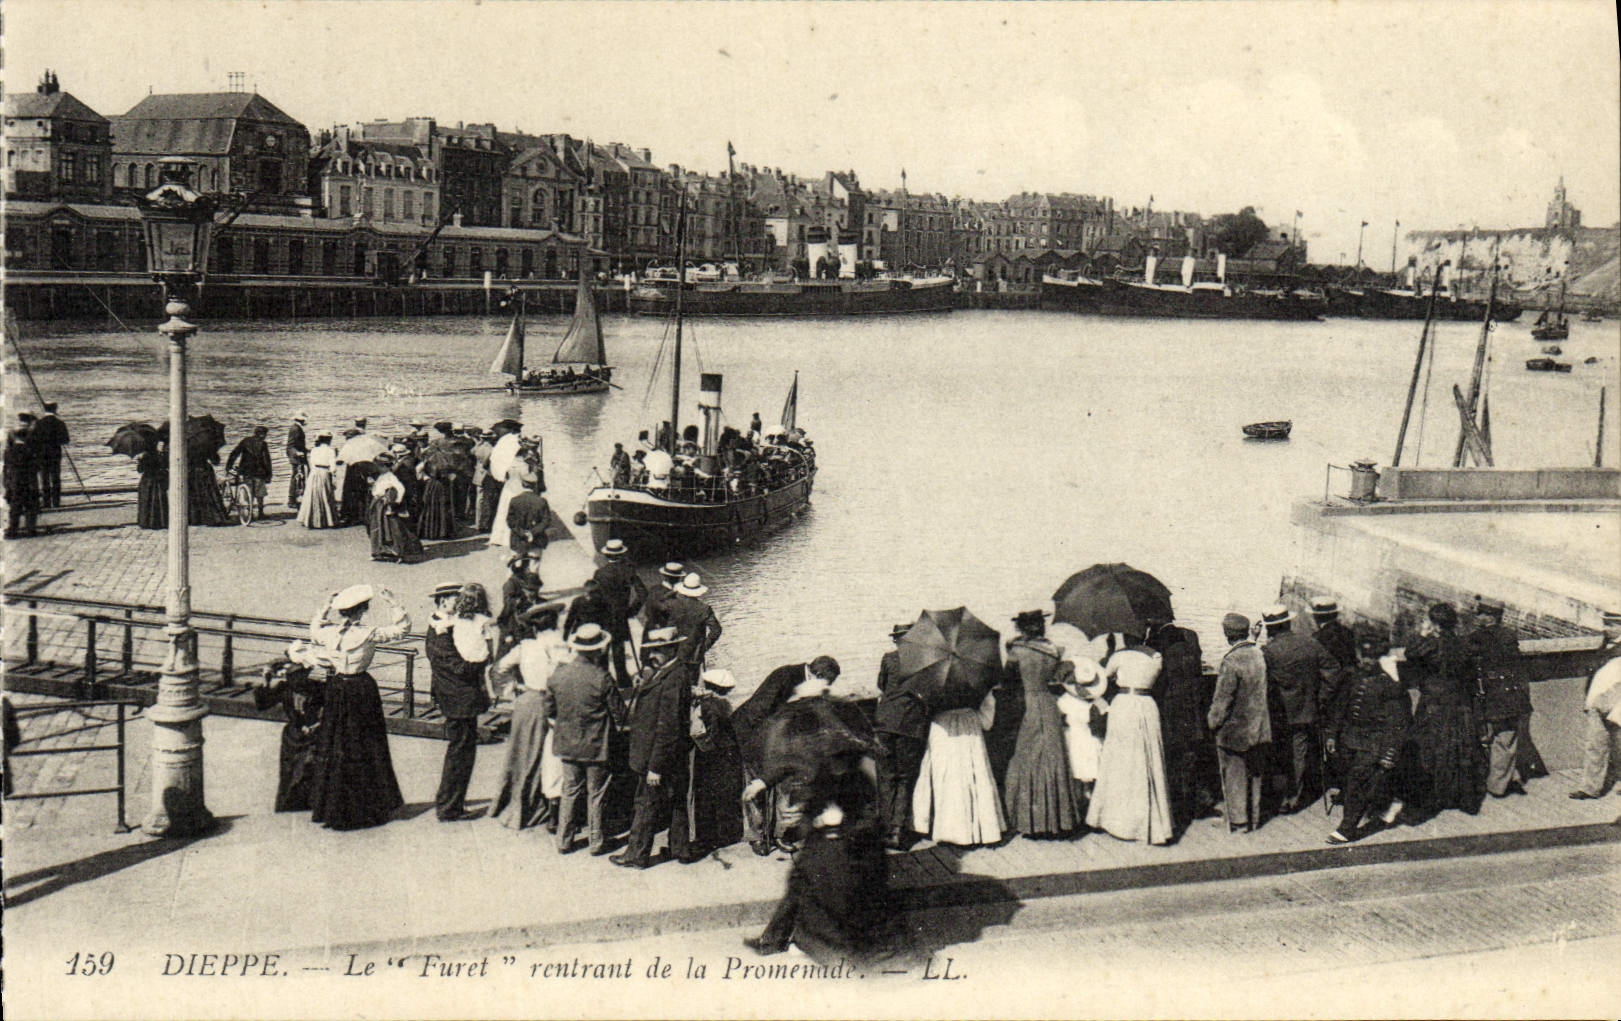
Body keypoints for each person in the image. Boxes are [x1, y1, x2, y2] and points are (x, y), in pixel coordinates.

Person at [743, 678, 904, 965]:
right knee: (804, 881)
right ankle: (776, 939)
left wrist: (831, 814)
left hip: (847, 839)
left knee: (824, 888)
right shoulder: (833, 742)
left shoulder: (841, 755)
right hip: (833, 835)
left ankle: (831, 947)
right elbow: (800, 769)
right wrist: (767, 784)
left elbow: (855, 800)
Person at [306, 586, 410, 830]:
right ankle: (366, 807)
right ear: (362, 610)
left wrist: (325, 606)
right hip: (361, 691)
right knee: (366, 745)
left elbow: (314, 630)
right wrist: (393, 602)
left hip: (336, 689)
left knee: (335, 744)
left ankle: (332, 807)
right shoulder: (368, 633)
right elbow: (402, 629)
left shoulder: (329, 633)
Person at [612, 627, 695, 868]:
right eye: (651, 650)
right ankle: (680, 849)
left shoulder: (673, 679)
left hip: (657, 756)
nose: (651, 655)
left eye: (657, 650)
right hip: (674, 754)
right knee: (676, 799)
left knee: (646, 804)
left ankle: (636, 855)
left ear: (671, 649)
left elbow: (668, 727)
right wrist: (645, 681)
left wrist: (655, 767)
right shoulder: (672, 672)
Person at [734, 659, 834, 855]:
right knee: (756, 785)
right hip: (752, 736)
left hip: (776, 739)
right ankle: (758, 836)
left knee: (782, 784)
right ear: (816, 675)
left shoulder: (807, 684)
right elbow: (756, 712)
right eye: (825, 683)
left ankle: (779, 834)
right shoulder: (784, 677)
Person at [1323, 624, 1411, 843]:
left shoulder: (1390, 686)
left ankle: (1347, 829)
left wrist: (1389, 753)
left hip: (1374, 742)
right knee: (1351, 779)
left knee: (1357, 783)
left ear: (1379, 658)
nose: (1367, 662)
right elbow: (1339, 708)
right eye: (1364, 657)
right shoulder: (1351, 677)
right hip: (1349, 739)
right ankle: (1386, 803)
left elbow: (1398, 724)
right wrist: (1332, 735)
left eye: (1372, 658)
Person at [491, 603, 572, 831]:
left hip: (527, 702)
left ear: (534, 627)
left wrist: (513, 687)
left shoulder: (526, 646)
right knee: (550, 755)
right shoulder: (562, 646)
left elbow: (499, 668)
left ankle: (515, 804)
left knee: (522, 753)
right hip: (552, 702)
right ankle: (549, 806)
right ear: (554, 622)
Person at [1400, 602, 1485, 820]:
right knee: (1457, 748)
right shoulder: (1463, 645)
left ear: (1435, 624)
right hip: (1458, 701)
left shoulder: (1430, 645)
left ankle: (1433, 796)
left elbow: (1410, 652)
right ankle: (1457, 796)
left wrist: (1423, 632)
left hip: (1434, 702)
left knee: (1429, 747)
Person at [547, 623, 626, 855]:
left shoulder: (558, 675)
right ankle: (596, 841)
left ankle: (564, 840)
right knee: (597, 794)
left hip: (567, 744)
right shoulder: (602, 677)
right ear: (598, 650)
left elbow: (549, 710)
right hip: (596, 746)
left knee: (569, 790)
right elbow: (620, 713)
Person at [1000, 610, 1081, 838]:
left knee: (1028, 758)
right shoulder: (1053, 650)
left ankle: (1032, 821)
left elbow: (1008, 682)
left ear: (1021, 628)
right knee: (1052, 756)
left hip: (1027, 705)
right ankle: (1057, 819)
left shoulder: (1017, 651)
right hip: (1048, 703)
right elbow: (1064, 676)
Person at [1087, 636, 1174, 845]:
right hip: (1147, 704)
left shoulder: (1120, 655)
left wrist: (1109, 657)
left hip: (1124, 705)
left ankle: (1116, 820)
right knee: (1148, 759)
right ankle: (1151, 823)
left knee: (1119, 760)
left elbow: (1102, 678)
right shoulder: (1156, 656)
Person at [425, 582, 495, 822]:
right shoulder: (439, 630)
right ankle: (449, 807)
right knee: (460, 754)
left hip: (456, 698)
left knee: (462, 752)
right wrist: (483, 661)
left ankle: (452, 803)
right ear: (444, 600)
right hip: (458, 700)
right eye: (457, 598)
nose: (461, 603)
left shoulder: (446, 624)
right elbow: (459, 667)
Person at [1259, 604, 1338, 814]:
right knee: (1298, 754)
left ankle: (1276, 796)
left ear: (1271, 628)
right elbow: (1333, 670)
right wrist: (1320, 698)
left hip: (1277, 712)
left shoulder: (1268, 651)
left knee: (1278, 753)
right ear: (1288, 623)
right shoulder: (1310, 643)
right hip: (1305, 710)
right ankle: (1292, 798)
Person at [913, 679, 1004, 848]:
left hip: (941, 727)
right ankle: (981, 830)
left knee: (946, 777)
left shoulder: (932, 675)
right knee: (974, 773)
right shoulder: (974, 674)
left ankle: (949, 831)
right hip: (969, 724)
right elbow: (987, 714)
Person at [1146, 613, 1212, 834]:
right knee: (1189, 757)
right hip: (1192, 707)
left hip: (1170, 710)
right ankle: (1194, 803)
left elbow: (1154, 678)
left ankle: (1176, 807)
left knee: (1171, 759)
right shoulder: (1190, 636)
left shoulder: (1155, 642)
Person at [1207, 613, 1270, 834]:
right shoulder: (1258, 654)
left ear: (1227, 634)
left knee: (1234, 775)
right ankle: (1254, 818)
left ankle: (1238, 821)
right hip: (1259, 727)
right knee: (1255, 776)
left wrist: (1212, 723)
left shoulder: (1231, 661)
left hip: (1236, 730)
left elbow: (1222, 700)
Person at [248, 642, 327, 812]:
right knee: (292, 779)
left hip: (314, 738)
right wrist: (266, 682)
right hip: (296, 738)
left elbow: (332, 712)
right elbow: (262, 704)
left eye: (295, 673)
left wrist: (316, 725)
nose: (291, 677)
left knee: (308, 776)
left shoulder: (318, 687)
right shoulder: (287, 687)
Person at [873, 622, 930, 849]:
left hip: (884, 723)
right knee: (904, 779)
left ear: (896, 640)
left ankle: (885, 829)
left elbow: (881, 685)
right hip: (909, 727)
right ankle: (897, 831)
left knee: (886, 777)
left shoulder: (888, 659)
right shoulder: (923, 661)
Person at [1471, 597, 1532, 797]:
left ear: (1489, 616)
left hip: (1488, 695)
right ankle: (1499, 783)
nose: (1477, 616)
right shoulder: (1508, 636)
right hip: (1509, 696)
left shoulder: (1476, 638)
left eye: (1480, 613)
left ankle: (1493, 784)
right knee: (1506, 740)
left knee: (1488, 738)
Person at [687, 668, 747, 859]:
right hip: (729, 755)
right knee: (727, 796)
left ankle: (708, 837)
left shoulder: (707, 706)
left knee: (707, 796)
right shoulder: (723, 704)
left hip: (713, 756)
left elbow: (710, 735)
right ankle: (729, 833)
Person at [1570, 608, 1621, 800]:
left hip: (1617, 705)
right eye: (1606, 624)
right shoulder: (1605, 645)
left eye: (1611, 625)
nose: (1607, 629)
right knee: (1595, 745)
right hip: (1597, 704)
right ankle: (1590, 787)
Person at [1054, 649, 1108, 817]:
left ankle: (1077, 811)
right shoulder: (1098, 702)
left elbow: (1060, 719)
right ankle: (1090, 809)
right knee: (1090, 776)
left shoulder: (1064, 700)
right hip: (1089, 742)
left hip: (1074, 741)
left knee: (1075, 774)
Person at [592, 539, 647, 685]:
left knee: (603, 647)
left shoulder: (599, 573)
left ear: (606, 555)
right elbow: (643, 593)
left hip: (604, 614)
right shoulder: (628, 571)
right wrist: (632, 610)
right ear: (622, 554)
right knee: (618, 648)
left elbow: (595, 596)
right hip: (621, 614)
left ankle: (604, 679)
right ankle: (623, 680)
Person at [367, 454, 422, 563]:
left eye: (379, 466)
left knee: (391, 529)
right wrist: (373, 485)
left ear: (385, 466)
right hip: (378, 505)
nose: (377, 468)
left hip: (385, 506)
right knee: (377, 527)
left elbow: (401, 489)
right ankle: (379, 551)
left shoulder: (391, 477)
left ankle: (396, 552)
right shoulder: (381, 476)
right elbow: (377, 489)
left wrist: (396, 501)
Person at [666, 572, 722, 670]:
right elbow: (716, 630)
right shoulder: (704, 608)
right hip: (694, 654)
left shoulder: (673, 605)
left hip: (674, 652)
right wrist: (704, 647)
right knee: (692, 678)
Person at [496, 555, 544, 654]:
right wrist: (519, 601)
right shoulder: (511, 583)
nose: (527, 568)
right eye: (525, 565)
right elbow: (507, 605)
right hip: (515, 618)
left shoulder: (528, 578)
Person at [224, 425, 274, 519]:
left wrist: (228, 466)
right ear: (262, 434)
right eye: (265, 434)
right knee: (260, 492)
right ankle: (260, 513)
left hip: (246, 470)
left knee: (248, 489)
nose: (265, 436)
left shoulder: (245, 441)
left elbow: (234, 453)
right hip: (259, 471)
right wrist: (269, 474)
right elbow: (267, 460)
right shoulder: (263, 444)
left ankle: (248, 511)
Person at [5, 421, 42, 538]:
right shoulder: (30, 451)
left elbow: (6, 468)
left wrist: (7, 483)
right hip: (29, 482)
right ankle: (31, 530)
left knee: (15, 507)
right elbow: (36, 467)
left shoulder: (8, 452)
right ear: (26, 436)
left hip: (14, 482)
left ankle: (13, 531)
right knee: (30, 506)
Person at [296, 431, 340, 529]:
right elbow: (333, 467)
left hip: (314, 472)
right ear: (329, 440)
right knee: (325, 494)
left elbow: (311, 463)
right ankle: (327, 519)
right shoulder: (331, 451)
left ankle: (311, 519)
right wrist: (333, 475)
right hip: (324, 472)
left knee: (312, 494)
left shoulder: (314, 450)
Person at [31, 401, 69, 509]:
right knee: (56, 478)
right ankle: (56, 503)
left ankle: (46, 502)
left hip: (42, 454)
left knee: (44, 478)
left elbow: (33, 440)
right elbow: (66, 440)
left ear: (44, 409)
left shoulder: (38, 423)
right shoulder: (60, 423)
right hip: (55, 454)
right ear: (55, 409)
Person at [506, 481, 554, 560]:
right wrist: (532, 532)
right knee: (534, 564)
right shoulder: (541, 501)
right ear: (535, 485)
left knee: (515, 564)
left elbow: (510, 521)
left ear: (522, 484)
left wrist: (522, 533)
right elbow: (546, 521)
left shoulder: (514, 500)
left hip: (518, 541)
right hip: (536, 541)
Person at [1309, 597, 1357, 669]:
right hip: (1350, 671)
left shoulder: (1318, 637)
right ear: (1336, 614)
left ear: (1316, 617)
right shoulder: (1347, 631)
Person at [640, 562, 686, 633]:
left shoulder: (654, 589)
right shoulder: (674, 593)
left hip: (650, 629)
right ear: (678, 578)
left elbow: (648, 610)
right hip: (662, 630)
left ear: (664, 575)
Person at [135, 440, 168, 530]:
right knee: (154, 501)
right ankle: (156, 522)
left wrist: (140, 461)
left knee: (151, 502)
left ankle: (150, 522)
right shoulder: (155, 455)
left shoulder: (147, 456)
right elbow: (140, 470)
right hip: (154, 481)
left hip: (151, 481)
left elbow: (140, 470)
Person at [285, 412, 309, 510]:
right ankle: (292, 500)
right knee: (296, 477)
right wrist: (296, 453)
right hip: (296, 457)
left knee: (300, 477)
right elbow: (290, 445)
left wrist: (306, 450)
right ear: (302, 420)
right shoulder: (295, 429)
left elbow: (298, 444)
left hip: (299, 456)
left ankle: (297, 498)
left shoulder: (296, 428)